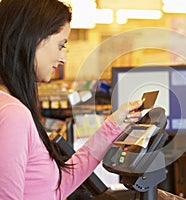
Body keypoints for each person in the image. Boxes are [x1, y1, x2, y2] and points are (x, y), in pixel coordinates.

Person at [0, 0, 143, 199]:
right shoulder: (13, 115)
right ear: (31, 39)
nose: (63, 59)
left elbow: (58, 188)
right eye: (61, 45)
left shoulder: (12, 109)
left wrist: (113, 125)